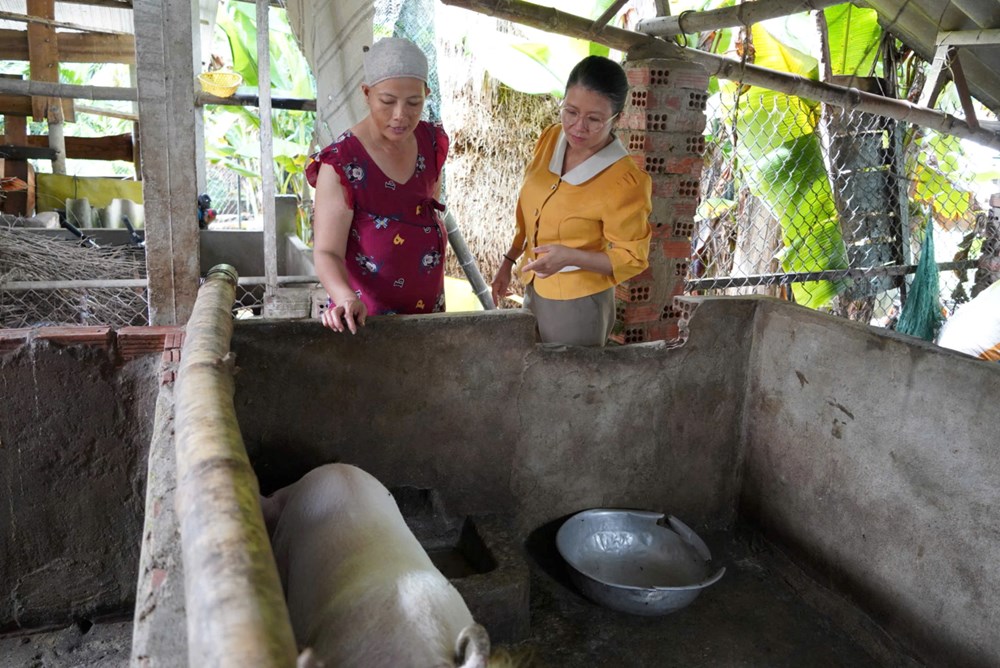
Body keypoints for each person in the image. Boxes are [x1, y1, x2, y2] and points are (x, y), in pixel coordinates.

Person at [491, 55, 652, 346]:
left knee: (571, 388)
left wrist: (571, 257)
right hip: (534, 288)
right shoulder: (552, 138)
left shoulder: (624, 181)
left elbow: (633, 258)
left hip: (580, 305)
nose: (578, 127)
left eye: (594, 119)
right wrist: (509, 260)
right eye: (570, 111)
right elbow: (529, 210)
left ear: (618, 119)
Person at [306, 37, 449, 334]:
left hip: (427, 316)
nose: (400, 115)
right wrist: (345, 297)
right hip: (364, 321)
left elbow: (423, 208)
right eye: (387, 101)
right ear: (367, 94)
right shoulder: (342, 163)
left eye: (414, 103)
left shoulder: (430, 141)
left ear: (427, 94)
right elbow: (326, 252)